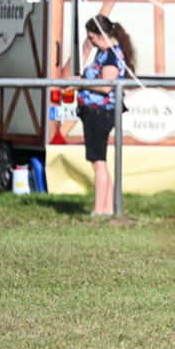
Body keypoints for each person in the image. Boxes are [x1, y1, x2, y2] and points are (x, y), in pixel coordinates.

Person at [75, 15, 134, 217]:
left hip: (100, 112)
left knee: (98, 163)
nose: (88, 42)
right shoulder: (103, 54)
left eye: (90, 38)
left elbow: (106, 86)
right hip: (95, 111)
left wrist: (80, 83)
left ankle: (99, 210)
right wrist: (84, 53)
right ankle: (108, 209)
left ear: (100, 36)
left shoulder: (111, 55)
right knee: (100, 162)